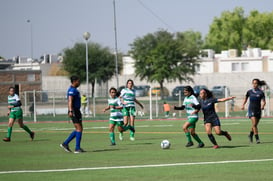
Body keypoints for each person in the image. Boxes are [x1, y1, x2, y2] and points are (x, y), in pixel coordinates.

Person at [60, 75, 85, 153]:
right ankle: (77, 148)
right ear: (74, 81)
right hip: (74, 110)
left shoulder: (74, 90)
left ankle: (65, 143)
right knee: (79, 128)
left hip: (76, 110)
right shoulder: (72, 90)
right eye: (78, 81)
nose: (79, 82)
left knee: (79, 128)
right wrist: (70, 111)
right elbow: (70, 101)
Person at [241, 78, 266, 144]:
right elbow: (245, 99)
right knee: (254, 124)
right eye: (253, 83)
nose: (254, 85)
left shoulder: (261, 92)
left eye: (256, 83)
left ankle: (250, 135)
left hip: (258, 110)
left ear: (258, 84)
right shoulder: (249, 92)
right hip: (251, 109)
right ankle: (257, 139)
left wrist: (263, 106)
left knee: (255, 125)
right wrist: (243, 105)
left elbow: (264, 101)